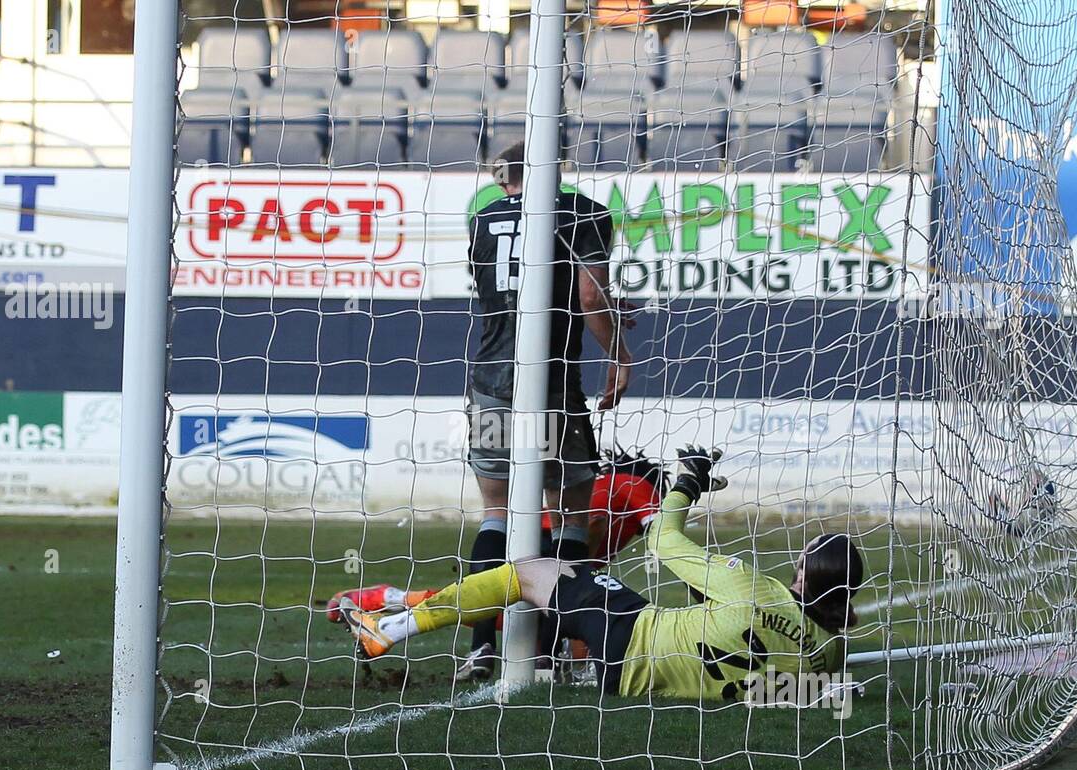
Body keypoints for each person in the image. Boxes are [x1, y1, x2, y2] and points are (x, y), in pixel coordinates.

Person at [340, 448, 864, 700]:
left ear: (802, 570)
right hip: (637, 679)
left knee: (526, 573)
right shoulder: (830, 649)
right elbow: (797, 689)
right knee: (549, 589)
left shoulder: (754, 586)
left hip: (632, 632)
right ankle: (433, 622)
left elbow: (663, 540)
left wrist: (688, 483)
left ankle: (391, 627)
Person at [461, 139, 633, 678]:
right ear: (554, 171)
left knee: (497, 514)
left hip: (490, 378)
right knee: (569, 515)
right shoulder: (585, 212)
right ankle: (555, 648)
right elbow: (587, 298)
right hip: (551, 384)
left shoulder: (485, 219)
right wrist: (620, 352)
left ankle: (482, 645)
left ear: (502, 177)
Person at [326, 447, 669, 680]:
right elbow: (660, 532)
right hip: (549, 550)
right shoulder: (637, 485)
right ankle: (547, 661)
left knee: (493, 606)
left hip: (522, 540)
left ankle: (387, 600)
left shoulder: (606, 487)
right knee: (563, 620)